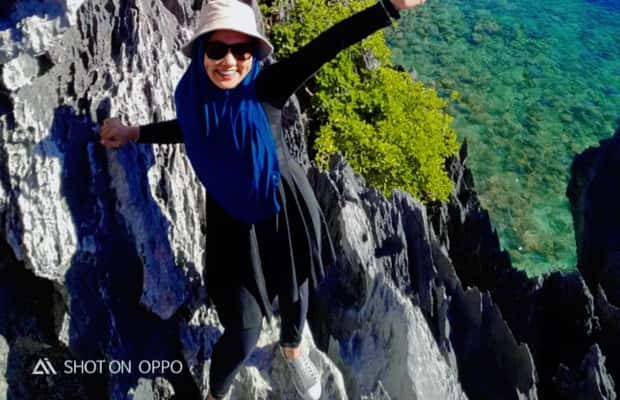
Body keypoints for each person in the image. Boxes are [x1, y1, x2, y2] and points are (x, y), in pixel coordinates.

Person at [100, 0, 427, 398]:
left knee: (294, 287)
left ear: (254, 54)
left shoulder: (266, 87)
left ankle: (293, 347)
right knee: (244, 330)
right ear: (201, 51)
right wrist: (134, 133)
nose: (230, 61)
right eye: (217, 49)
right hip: (230, 218)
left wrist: (388, 7)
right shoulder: (193, 96)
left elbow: (330, 44)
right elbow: (190, 129)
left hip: (281, 206)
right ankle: (215, 394)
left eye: (242, 51)